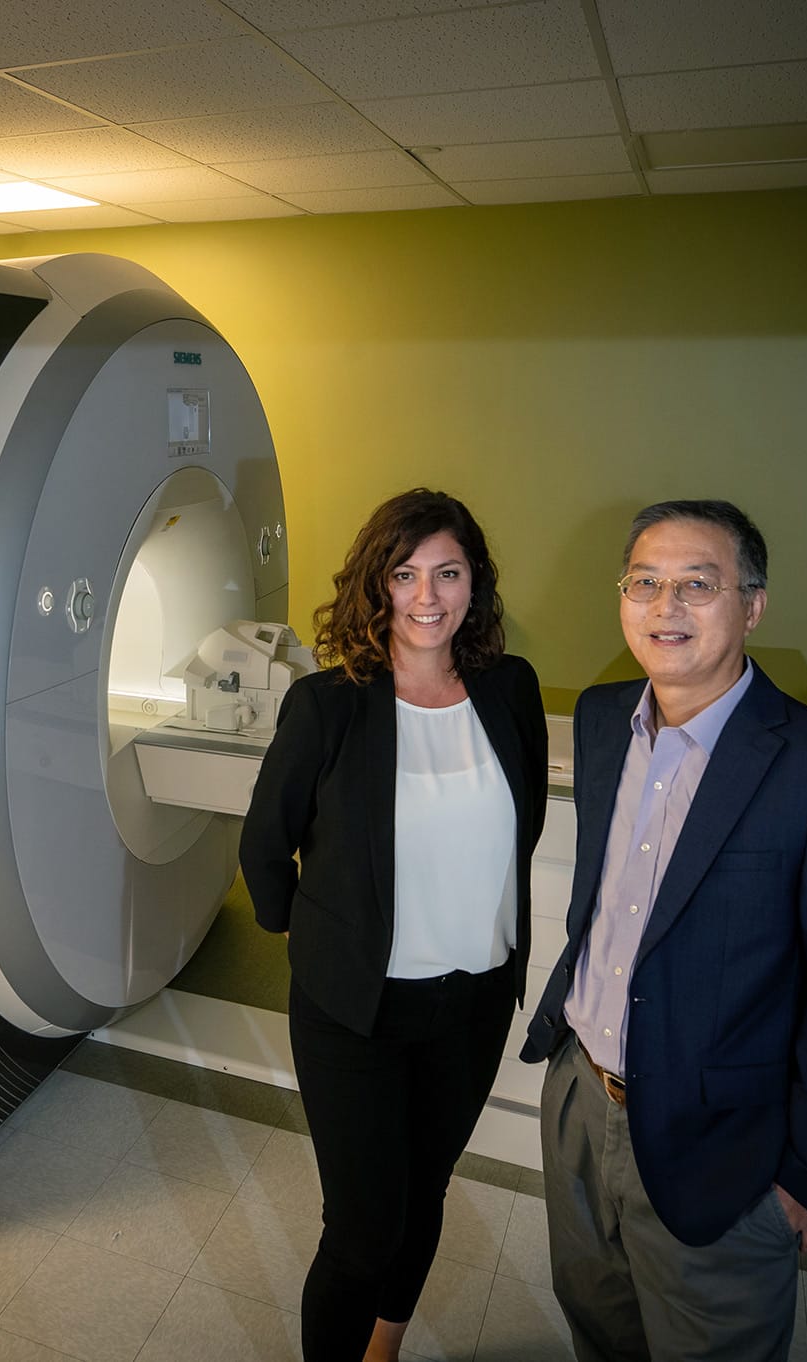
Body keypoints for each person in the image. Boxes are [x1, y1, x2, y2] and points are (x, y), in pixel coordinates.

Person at [521, 499, 807, 1361]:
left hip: (724, 1147)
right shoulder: (600, 719)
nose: (666, 608)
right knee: (600, 1328)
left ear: (753, 606)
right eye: (645, 583)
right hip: (583, 1101)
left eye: (698, 585)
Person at [240, 488, 548, 1362]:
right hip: (356, 1014)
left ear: (473, 586)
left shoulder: (509, 688)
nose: (426, 595)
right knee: (363, 1231)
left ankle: (386, 1350)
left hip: (476, 1003)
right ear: (375, 585)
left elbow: (522, 824)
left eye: (447, 573)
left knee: (426, 1191)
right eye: (404, 573)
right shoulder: (330, 704)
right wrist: (307, 932)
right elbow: (266, 843)